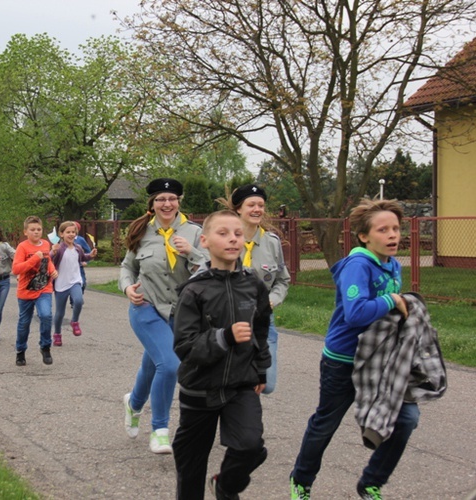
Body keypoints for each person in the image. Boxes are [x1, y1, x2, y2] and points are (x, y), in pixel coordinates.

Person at [290, 199, 414, 500]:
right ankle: (301, 482)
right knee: (326, 424)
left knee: (407, 419)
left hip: (380, 361)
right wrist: (392, 301)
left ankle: (370, 482)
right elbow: (355, 313)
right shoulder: (358, 265)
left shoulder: (393, 264)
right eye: (383, 229)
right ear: (364, 236)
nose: (392, 235)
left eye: (395, 229)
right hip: (344, 360)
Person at [171, 209, 271, 500]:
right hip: (199, 387)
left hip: (241, 384)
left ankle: (225, 485)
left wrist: (261, 368)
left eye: (238, 234)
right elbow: (184, 346)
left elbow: (262, 327)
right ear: (204, 241)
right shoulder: (194, 291)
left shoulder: (253, 285)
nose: (232, 240)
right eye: (223, 234)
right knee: (191, 465)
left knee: (251, 446)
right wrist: (224, 337)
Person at [118, 177, 208, 454]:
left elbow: (213, 265)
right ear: (152, 204)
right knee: (169, 364)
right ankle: (159, 429)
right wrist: (126, 288)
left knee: (153, 363)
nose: (166, 204)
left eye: (171, 198)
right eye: (160, 199)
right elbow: (127, 267)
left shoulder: (195, 232)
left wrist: (191, 251)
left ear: (179, 202)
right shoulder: (141, 231)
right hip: (146, 305)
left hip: (182, 312)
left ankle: (134, 403)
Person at [223, 184, 290, 394]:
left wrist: (271, 300)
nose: (257, 209)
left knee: (267, 385)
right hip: (229, 317)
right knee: (232, 380)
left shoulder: (271, 242)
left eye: (260, 205)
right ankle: (242, 420)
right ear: (238, 209)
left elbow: (282, 280)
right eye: (251, 204)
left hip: (262, 320)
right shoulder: (225, 240)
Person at [11, 215, 58, 366]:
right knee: (24, 323)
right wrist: (33, 259)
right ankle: (20, 351)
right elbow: (16, 269)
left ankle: (45, 347)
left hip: (44, 287)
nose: (36, 232)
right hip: (26, 290)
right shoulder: (22, 247)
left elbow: (47, 260)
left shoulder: (45, 244)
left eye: (38, 229)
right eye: (32, 230)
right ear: (26, 232)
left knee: (45, 315)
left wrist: (52, 270)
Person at [50, 221, 97, 346]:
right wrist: (52, 252)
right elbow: (49, 259)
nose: (71, 235)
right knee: (59, 313)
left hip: (75, 281)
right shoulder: (59, 248)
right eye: (68, 232)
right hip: (61, 283)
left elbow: (83, 258)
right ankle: (57, 334)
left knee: (78, 300)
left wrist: (90, 255)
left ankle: (74, 321)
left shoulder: (78, 248)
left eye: (73, 232)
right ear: (61, 234)